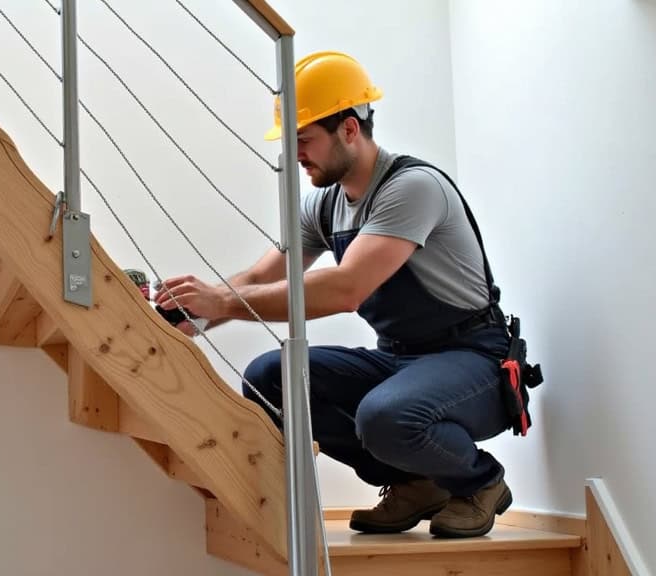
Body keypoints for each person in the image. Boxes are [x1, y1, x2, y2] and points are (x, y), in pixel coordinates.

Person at [154, 51, 517, 539]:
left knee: (385, 415)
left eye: (304, 140)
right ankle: (416, 482)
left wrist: (222, 303)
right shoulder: (324, 204)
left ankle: (481, 481)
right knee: (272, 376)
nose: (296, 154)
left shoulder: (412, 188)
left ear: (349, 129)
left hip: (472, 359)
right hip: (401, 360)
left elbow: (347, 287)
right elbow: (262, 276)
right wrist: (190, 315)